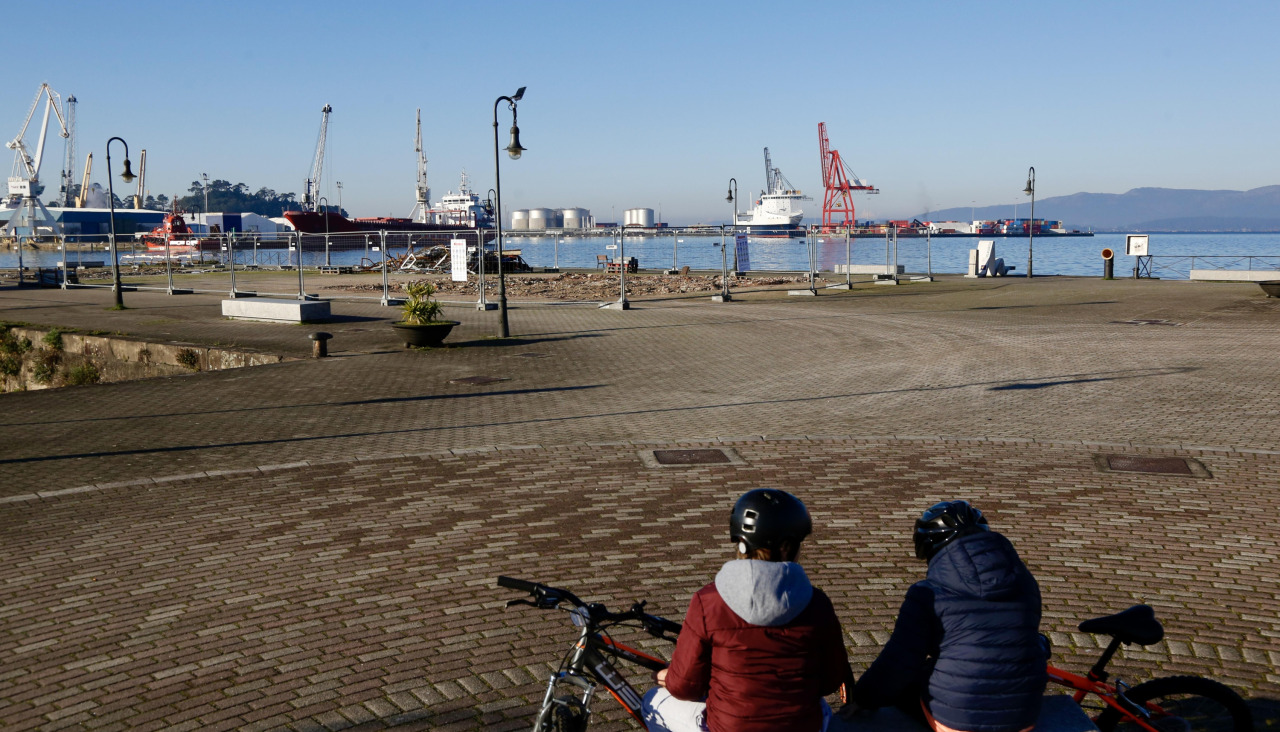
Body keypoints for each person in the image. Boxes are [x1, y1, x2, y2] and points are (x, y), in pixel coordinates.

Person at [642, 489, 851, 732]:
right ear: (786, 547)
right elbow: (830, 680)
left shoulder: (708, 601)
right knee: (821, 707)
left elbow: (684, 687)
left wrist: (669, 677)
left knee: (651, 702)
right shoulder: (817, 603)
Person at [843, 500, 1047, 732]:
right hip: (1024, 717)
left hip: (958, 723)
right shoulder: (1025, 581)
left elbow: (898, 663)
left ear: (928, 547)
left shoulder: (927, 593)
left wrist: (862, 698)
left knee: (909, 683)